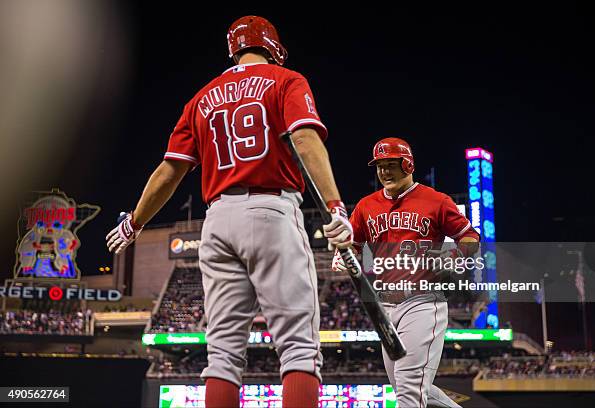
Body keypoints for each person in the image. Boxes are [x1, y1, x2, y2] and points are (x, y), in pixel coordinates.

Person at [106, 16, 352, 407]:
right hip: (272, 208)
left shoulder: (201, 97)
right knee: (299, 349)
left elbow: (170, 170)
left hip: (217, 220)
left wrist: (134, 222)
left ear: (233, 49)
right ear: (273, 48)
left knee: (221, 356)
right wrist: (335, 206)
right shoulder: (286, 79)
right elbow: (304, 139)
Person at [332, 137, 479, 407]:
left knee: (409, 390)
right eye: (379, 166)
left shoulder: (436, 201)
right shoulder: (366, 205)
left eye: (391, 165)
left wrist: (454, 255)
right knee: (406, 386)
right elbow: (353, 243)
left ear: (407, 164)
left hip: (423, 302)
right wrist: (343, 255)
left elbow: (470, 237)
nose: (384, 172)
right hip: (385, 306)